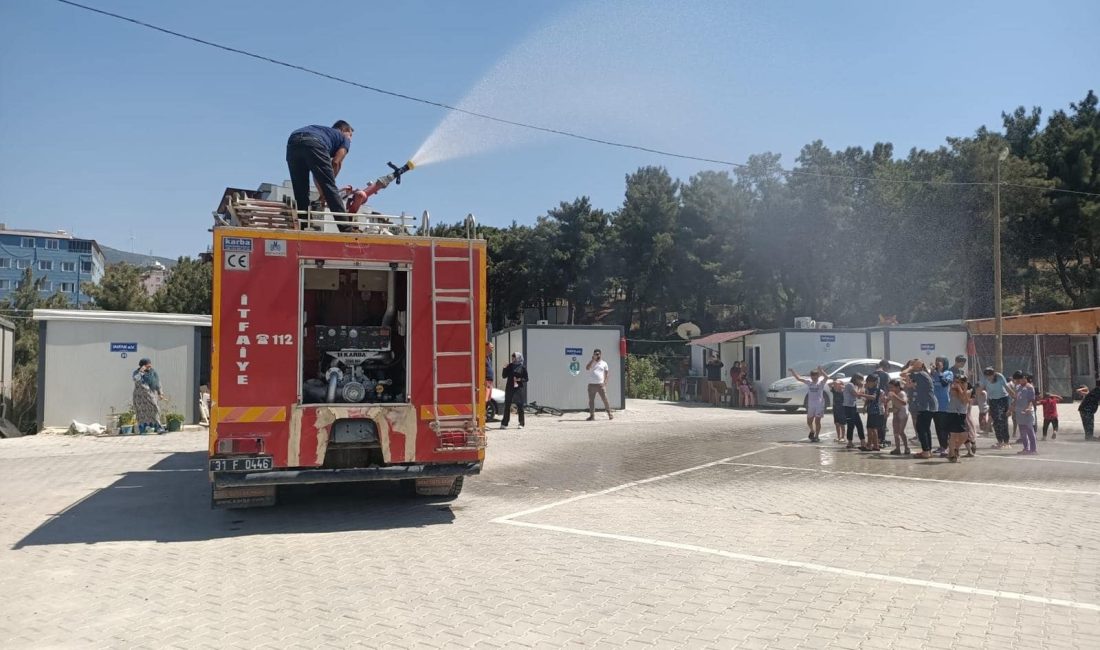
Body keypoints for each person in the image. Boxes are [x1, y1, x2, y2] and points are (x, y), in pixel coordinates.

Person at [286, 121, 354, 227]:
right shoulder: (343, 138)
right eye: (350, 135)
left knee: (300, 190)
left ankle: (304, 225)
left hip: (293, 142)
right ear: (343, 130)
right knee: (331, 188)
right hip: (315, 143)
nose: (351, 139)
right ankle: (346, 228)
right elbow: (336, 162)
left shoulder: (324, 132)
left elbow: (317, 175)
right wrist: (328, 188)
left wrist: (322, 194)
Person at [902, 359, 938, 459]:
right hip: (928, 404)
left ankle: (926, 451)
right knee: (925, 428)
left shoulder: (921, 374)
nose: (911, 366)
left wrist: (911, 367)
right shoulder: (923, 375)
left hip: (926, 405)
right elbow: (909, 384)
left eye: (913, 364)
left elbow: (903, 374)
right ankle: (928, 450)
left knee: (921, 427)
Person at [789, 367, 826, 442]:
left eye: (815, 376)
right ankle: (812, 430)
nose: (814, 378)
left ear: (818, 376)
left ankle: (817, 436)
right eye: (812, 376)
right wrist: (792, 371)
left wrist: (821, 371)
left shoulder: (821, 383)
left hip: (819, 405)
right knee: (809, 421)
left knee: (817, 421)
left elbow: (827, 377)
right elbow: (799, 378)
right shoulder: (809, 382)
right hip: (811, 405)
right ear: (811, 377)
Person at [981, 367, 1014, 448]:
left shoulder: (999, 377)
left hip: (1002, 399)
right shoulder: (985, 378)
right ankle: (999, 441)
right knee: (995, 421)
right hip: (992, 400)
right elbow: (980, 388)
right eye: (987, 376)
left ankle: (1006, 441)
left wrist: (1014, 395)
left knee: (1003, 420)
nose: (989, 377)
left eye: (990, 375)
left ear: (994, 374)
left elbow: (1006, 387)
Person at [132, 358, 165, 434]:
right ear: (142, 366)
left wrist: (161, 393)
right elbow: (135, 379)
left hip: (151, 395)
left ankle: (159, 427)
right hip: (140, 397)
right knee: (141, 413)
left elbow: (158, 383)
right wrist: (141, 371)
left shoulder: (153, 372)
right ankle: (143, 429)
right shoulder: (136, 373)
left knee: (155, 409)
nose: (149, 368)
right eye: (147, 366)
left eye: (150, 366)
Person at [946, 376, 972, 462]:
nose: (959, 383)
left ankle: (955, 448)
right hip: (953, 413)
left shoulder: (968, 390)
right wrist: (961, 388)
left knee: (964, 435)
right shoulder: (953, 389)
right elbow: (962, 399)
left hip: (962, 414)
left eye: (962, 382)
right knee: (953, 435)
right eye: (957, 381)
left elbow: (965, 401)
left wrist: (964, 389)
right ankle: (952, 454)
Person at [931, 356, 953, 457]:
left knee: (944, 427)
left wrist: (939, 372)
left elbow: (944, 384)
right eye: (936, 362)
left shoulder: (948, 373)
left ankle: (946, 447)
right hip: (934, 404)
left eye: (939, 362)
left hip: (944, 404)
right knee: (938, 427)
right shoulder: (933, 374)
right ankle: (941, 446)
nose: (937, 363)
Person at [499, 352, 528, 429]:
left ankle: (521, 423)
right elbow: (504, 376)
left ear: (518, 357)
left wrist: (520, 379)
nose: (513, 359)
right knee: (507, 405)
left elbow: (526, 379)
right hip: (509, 388)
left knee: (520, 406)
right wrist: (504, 368)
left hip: (518, 389)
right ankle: (504, 423)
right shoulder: (510, 366)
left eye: (514, 357)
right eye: (512, 357)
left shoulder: (522, 367)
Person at [1011, 371, 1037, 454]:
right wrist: (1011, 408)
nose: (1019, 381)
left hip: (1027, 411)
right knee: (1022, 431)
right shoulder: (1018, 387)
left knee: (1030, 430)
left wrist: (1028, 408)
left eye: (1021, 379)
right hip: (1019, 411)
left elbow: (1031, 400)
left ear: (1025, 378)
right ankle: (1026, 448)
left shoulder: (1029, 387)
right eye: (1018, 380)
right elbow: (1016, 399)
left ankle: (1033, 449)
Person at [858, 374, 885, 452]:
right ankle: (869, 445)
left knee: (873, 429)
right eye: (867, 382)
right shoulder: (869, 389)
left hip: (876, 411)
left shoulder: (877, 390)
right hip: (871, 410)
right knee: (869, 428)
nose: (868, 383)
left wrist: (862, 394)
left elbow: (873, 397)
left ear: (875, 382)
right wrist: (864, 407)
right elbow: (868, 399)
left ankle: (875, 445)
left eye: (869, 382)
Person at [585, 349, 613, 420]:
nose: (597, 355)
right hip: (591, 385)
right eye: (595, 354)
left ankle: (609, 413)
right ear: (593, 355)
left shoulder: (604, 363)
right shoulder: (591, 362)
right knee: (591, 401)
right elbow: (587, 368)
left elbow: (606, 374)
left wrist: (605, 382)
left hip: (600, 385)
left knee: (605, 399)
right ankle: (592, 416)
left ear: (600, 354)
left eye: (598, 354)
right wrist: (592, 360)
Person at [872, 360, 893, 448]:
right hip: (883, 399)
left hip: (874, 400)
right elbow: (889, 388)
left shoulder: (872, 374)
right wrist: (888, 403)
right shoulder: (886, 375)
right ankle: (881, 440)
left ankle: (876, 440)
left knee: (875, 421)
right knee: (883, 421)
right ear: (886, 367)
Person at [886, 379, 910, 455]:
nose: (890, 389)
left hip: (903, 414)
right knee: (895, 432)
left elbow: (904, 402)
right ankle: (897, 448)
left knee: (901, 432)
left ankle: (907, 448)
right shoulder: (891, 393)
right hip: (896, 413)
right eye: (889, 387)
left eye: (892, 387)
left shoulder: (902, 393)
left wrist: (894, 396)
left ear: (898, 387)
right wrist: (886, 409)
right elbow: (887, 401)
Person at [842, 375, 866, 449]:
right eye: (860, 380)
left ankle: (863, 442)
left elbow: (858, 396)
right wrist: (862, 387)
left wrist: (860, 387)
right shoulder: (850, 385)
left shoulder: (855, 386)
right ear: (856, 379)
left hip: (853, 406)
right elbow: (856, 394)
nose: (861, 382)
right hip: (848, 407)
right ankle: (849, 442)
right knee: (851, 425)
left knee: (859, 424)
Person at [829, 377, 846, 442]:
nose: (836, 386)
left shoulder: (843, 391)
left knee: (842, 424)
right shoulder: (834, 391)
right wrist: (834, 382)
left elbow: (844, 387)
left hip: (842, 409)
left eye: (838, 385)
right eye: (836, 385)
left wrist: (841, 383)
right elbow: (829, 385)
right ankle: (838, 436)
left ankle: (843, 437)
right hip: (835, 409)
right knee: (837, 423)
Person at [485, 342, 496, 422]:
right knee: (484, 400)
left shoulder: (488, 357)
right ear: (486, 347)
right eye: (491, 347)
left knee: (488, 400)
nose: (492, 349)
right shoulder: (483, 357)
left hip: (490, 381)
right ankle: (482, 417)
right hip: (486, 381)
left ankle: (484, 417)